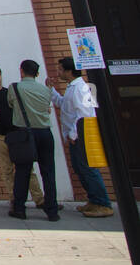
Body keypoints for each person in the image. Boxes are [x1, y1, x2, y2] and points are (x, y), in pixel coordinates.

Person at [47, 57, 113, 218]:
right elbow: (63, 104)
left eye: (61, 69)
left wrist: (74, 134)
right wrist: (51, 90)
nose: (59, 72)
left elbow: (84, 113)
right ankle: (94, 200)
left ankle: (103, 203)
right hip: (75, 135)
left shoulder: (81, 88)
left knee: (88, 169)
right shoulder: (72, 87)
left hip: (81, 135)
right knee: (80, 168)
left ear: (69, 71)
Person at [0, 64, 44, 209]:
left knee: (27, 168)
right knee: (7, 169)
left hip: (16, 134)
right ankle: (15, 200)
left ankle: (39, 199)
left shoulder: (10, 92)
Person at [7, 59, 59, 221]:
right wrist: (48, 86)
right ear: (37, 73)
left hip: (24, 134)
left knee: (23, 172)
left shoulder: (15, 88)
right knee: (49, 172)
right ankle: (52, 211)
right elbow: (46, 106)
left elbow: (10, 104)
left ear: (21, 71)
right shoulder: (45, 90)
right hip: (45, 133)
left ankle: (20, 209)